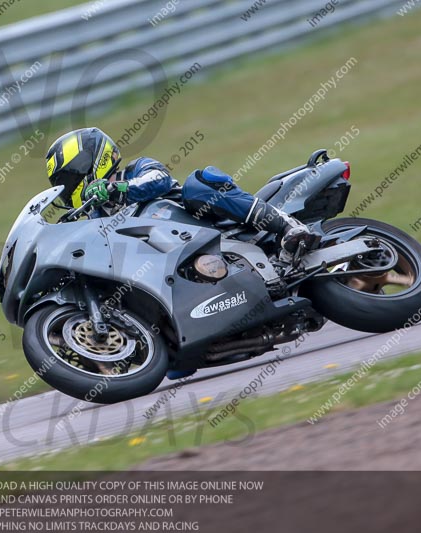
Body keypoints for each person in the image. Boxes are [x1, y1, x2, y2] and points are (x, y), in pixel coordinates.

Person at [45, 127, 317, 379]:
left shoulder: (135, 170)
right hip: (181, 273)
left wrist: (120, 189)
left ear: (91, 164)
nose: (69, 190)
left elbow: (159, 179)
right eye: (63, 185)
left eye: (70, 180)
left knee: (199, 184)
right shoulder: (95, 217)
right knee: (173, 366)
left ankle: (287, 227)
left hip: (208, 228)